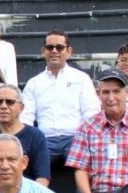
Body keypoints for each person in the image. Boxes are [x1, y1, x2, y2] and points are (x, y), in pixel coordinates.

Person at [20, 31, 100, 164]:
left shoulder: (81, 79)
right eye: (50, 47)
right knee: (27, 161)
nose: (54, 51)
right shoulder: (34, 83)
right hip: (45, 139)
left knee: (88, 160)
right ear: (43, 51)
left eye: (59, 47)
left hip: (75, 138)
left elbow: (90, 111)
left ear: (69, 51)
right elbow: (26, 117)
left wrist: (86, 137)